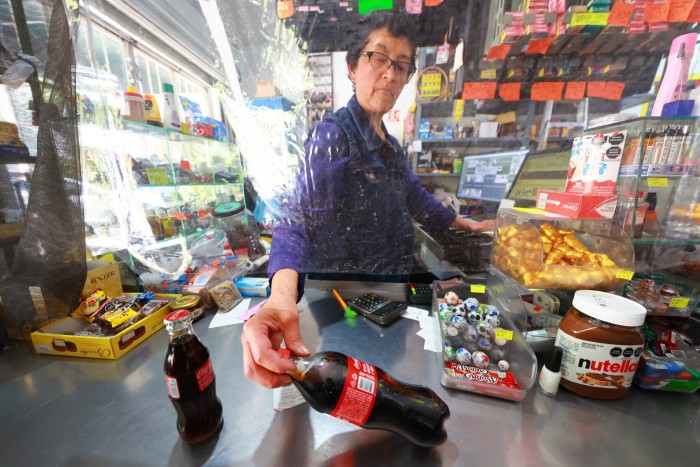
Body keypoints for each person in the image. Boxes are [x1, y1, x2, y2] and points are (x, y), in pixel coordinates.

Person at [241, 12, 496, 388]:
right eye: (378, 59)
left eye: (401, 66)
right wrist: (280, 297)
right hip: (343, 306)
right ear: (352, 66)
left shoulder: (388, 144)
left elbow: (417, 197)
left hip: (385, 298)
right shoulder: (333, 136)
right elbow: (297, 220)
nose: (390, 75)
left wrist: (464, 225)